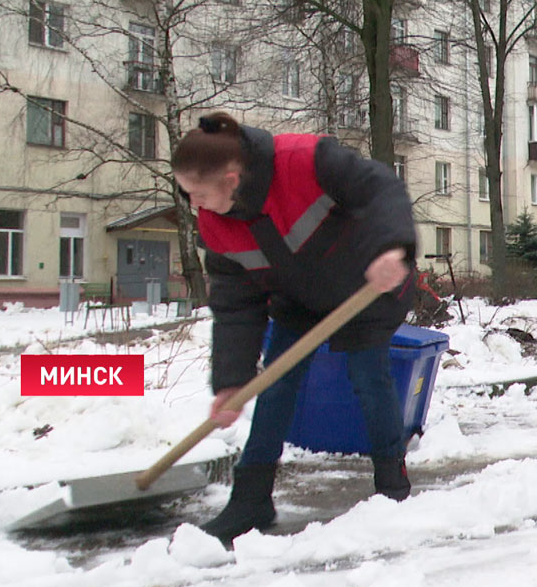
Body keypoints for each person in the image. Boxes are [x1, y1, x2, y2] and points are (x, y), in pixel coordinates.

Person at [171, 112, 417, 545]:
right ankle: (251, 499)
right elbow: (235, 305)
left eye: (199, 193)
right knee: (276, 385)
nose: (194, 204)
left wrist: (393, 249)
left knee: (367, 376)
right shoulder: (215, 221)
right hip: (299, 299)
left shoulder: (305, 160)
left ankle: (392, 487)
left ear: (231, 178)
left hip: (370, 282)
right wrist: (230, 383)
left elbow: (383, 188)